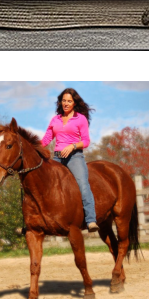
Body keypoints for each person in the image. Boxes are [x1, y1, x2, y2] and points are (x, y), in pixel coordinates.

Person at [41, 88, 99, 232]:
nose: (66, 103)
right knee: (44, 184)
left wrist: (72, 146)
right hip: (58, 157)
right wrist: (32, 146)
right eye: (64, 100)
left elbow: (85, 141)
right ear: (60, 102)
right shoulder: (55, 120)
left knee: (83, 184)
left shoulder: (80, 119)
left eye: (69, 101)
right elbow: (46, 139)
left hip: (75, 156)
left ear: (74, 103)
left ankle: (91, 220)